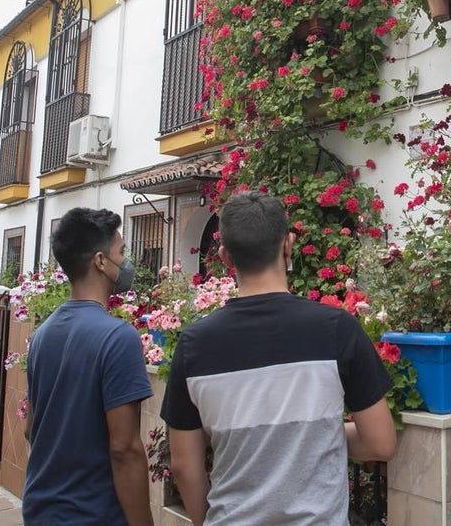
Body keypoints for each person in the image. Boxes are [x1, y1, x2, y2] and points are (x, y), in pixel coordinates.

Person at [162, 190, 397, 526]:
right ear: (288, 245)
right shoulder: (337, 330)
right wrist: (315, 435)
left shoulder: (193, 344)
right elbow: (380, 443)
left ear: (226, 257)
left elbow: (185, 466)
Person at [23, 207, 154, 526]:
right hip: (94, 516)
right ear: (100, 261)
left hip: (41, 511)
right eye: (121, 252)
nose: (126, 262)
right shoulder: (118, 337)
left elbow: (30, 428)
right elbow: (124, 449)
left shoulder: (42, 335)